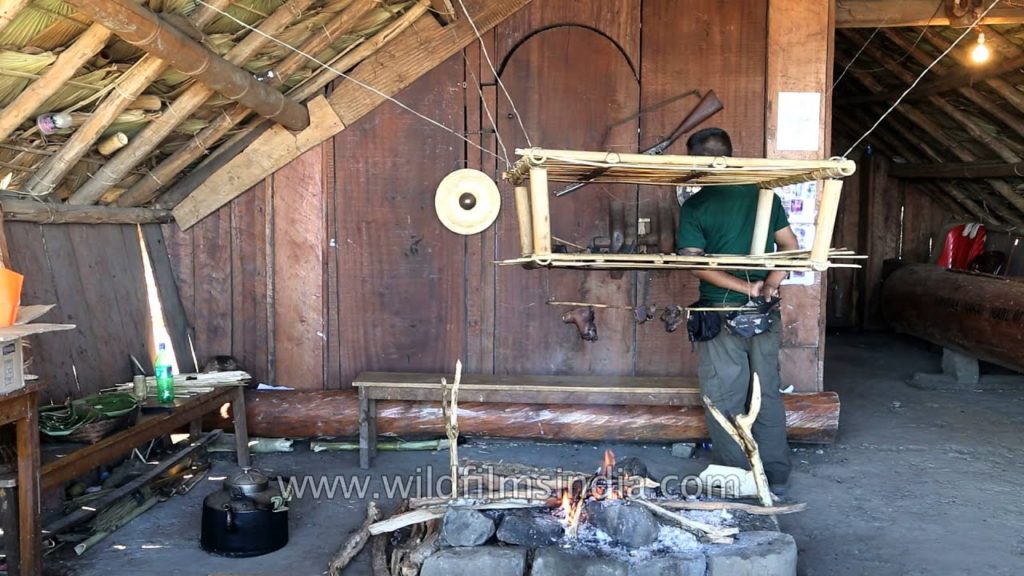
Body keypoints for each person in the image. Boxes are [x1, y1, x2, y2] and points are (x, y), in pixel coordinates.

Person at [676, 127, 798, 494]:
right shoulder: (765, 197)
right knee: (767, 391)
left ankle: (739, 475)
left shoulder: (696, 206)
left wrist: (746, 287)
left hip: (720, 313)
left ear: (698, 161)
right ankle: (775, 472)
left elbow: (693, 265)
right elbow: (791, 249)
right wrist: (769, 286)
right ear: (730, 154)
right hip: (764, 312)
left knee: (725, 396)